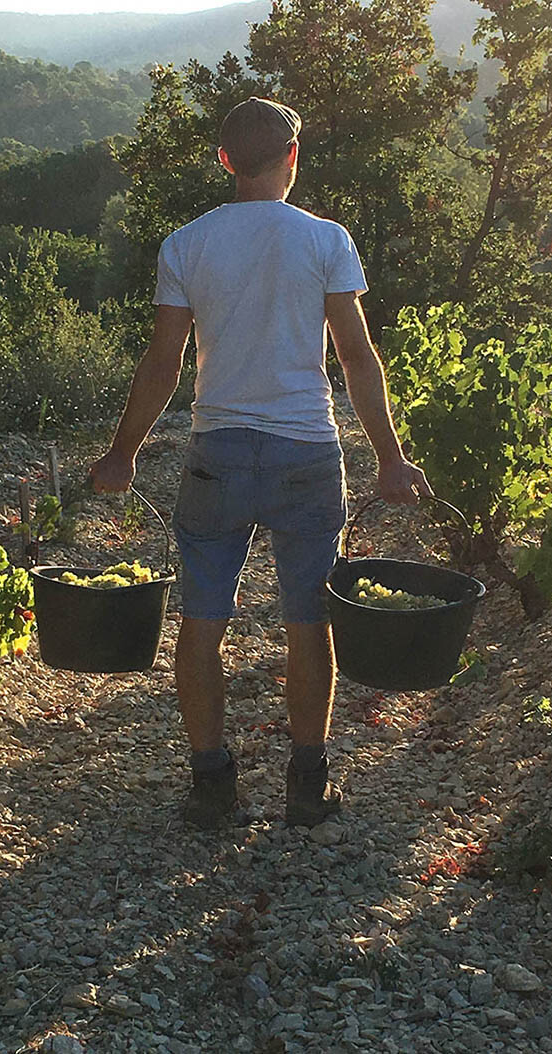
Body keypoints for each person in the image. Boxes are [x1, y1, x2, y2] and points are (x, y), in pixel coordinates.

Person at [89, 97, 432, 829]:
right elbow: (357, 356)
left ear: (224, 161)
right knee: (311, 623)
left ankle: (212, 786)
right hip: (307, 451)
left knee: (202, 619)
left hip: (218, 455)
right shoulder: (326, 240)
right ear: (292, 158)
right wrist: (391, 459)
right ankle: (308, 788)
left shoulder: (186, 244)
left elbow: (163, 362)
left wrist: (123, 452)